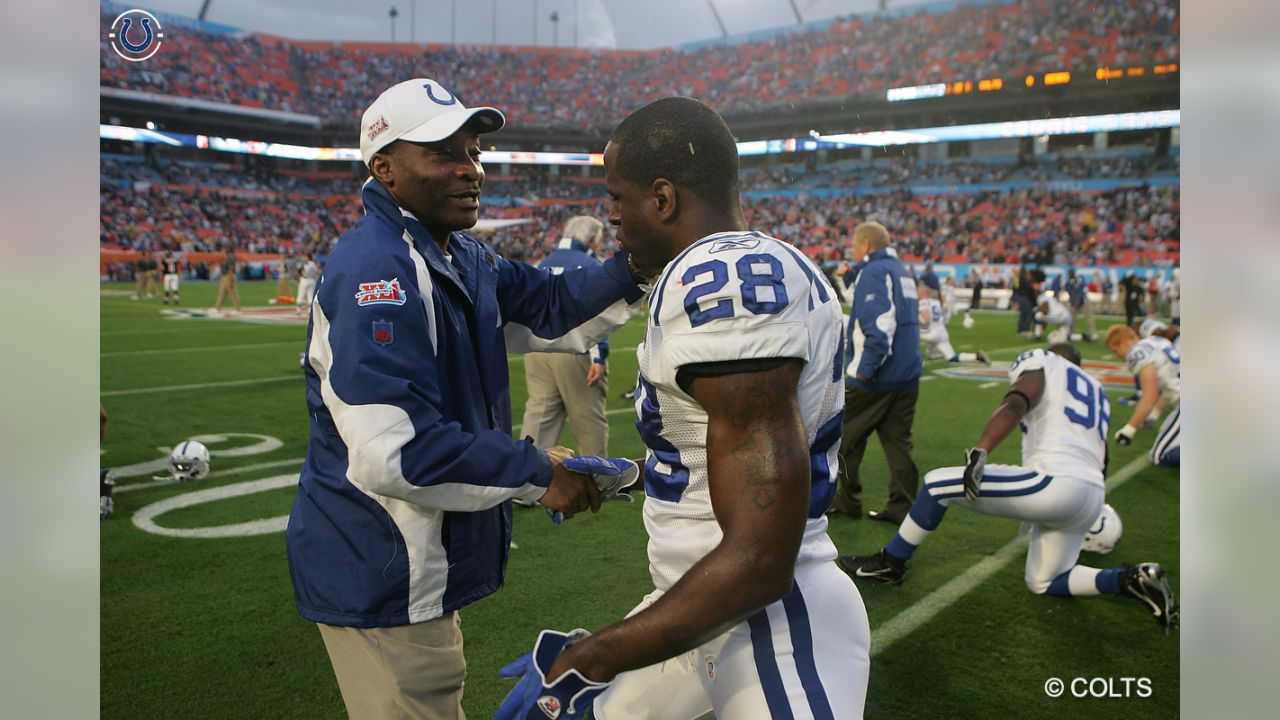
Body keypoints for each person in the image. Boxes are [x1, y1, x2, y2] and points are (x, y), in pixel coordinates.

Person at [285, 77, 646, 720]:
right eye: (442, 153)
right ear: (385, 168)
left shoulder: (458, 254)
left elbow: (552, 308)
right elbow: (396, 454)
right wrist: (538, 475)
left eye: (473, 151)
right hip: (382, 566)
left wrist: (642, 259)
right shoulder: (378, 268)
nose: (469, 169)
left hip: (408, 560)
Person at [497, 97, 869, 719]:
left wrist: (589, 659)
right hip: (701, 606)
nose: (611, 217)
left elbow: (759, 557)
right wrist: (631, 474)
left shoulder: (719, 279)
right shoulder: (721, 267)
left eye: (618, 197)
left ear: (662, 199)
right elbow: (718, 456)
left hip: (769, 625)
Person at [835, 344, 1178, 629]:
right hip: (1091, 494)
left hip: (1054, 482)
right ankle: (1129, 579)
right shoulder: (1097, 390)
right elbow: (1102, 457)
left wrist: (982, 450)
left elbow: (1017, 401)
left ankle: (889, 564)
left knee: (938, 484)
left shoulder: (1044, 361)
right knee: (1043, 582)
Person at [830, 221, 923, 524]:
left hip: (877, 378)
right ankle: (902, 508)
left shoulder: (874, 272)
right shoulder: (900, 271)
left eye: (856, 246)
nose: (854, 252)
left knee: (840, 439)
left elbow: (881, 326)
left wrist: (865, 372)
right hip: (907, 376)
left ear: (867, 245)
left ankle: (847, 500)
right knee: (899, 446)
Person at [520, 216, 613, 457]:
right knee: (588, 422)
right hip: (574, 349)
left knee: (539, 420)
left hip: (537, 350)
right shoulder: (591, 265)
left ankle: (525, 484)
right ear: (592, 239)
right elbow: (595, 316)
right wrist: (598, 356)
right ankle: (595, 484)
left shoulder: (543, 262)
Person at [1104, 325, 1181, 467]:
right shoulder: (1154, 341)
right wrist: (1155, 414)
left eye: (1116, 350)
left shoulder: (1137, 353)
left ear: (1125, 343)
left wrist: (1129, 429)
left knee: (1160, 455)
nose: (1117, 355)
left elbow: (1150, 396)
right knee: (1167, 432)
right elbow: (1170, 386)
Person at [919, 284, 989, 364]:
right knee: (952, 357)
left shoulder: (922, 302)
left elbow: (925, 320)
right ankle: (976, 356)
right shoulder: (936, 302)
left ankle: (918, 358)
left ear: (922, 293)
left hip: (931, 333)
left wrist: (916, 319)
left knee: (910, 334)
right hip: (942, 332)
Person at [1064, 269, 1096, 342]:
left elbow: (1082, 291)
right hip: (1073, 302)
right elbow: (1070, 292)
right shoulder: (1068, 282)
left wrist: (1078, 299)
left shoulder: (1080, 279)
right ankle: (1072, 333)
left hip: (1084, 302)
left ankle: (1093, 333)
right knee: (1072, 318)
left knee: (1089, 317)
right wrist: (1073, 301)